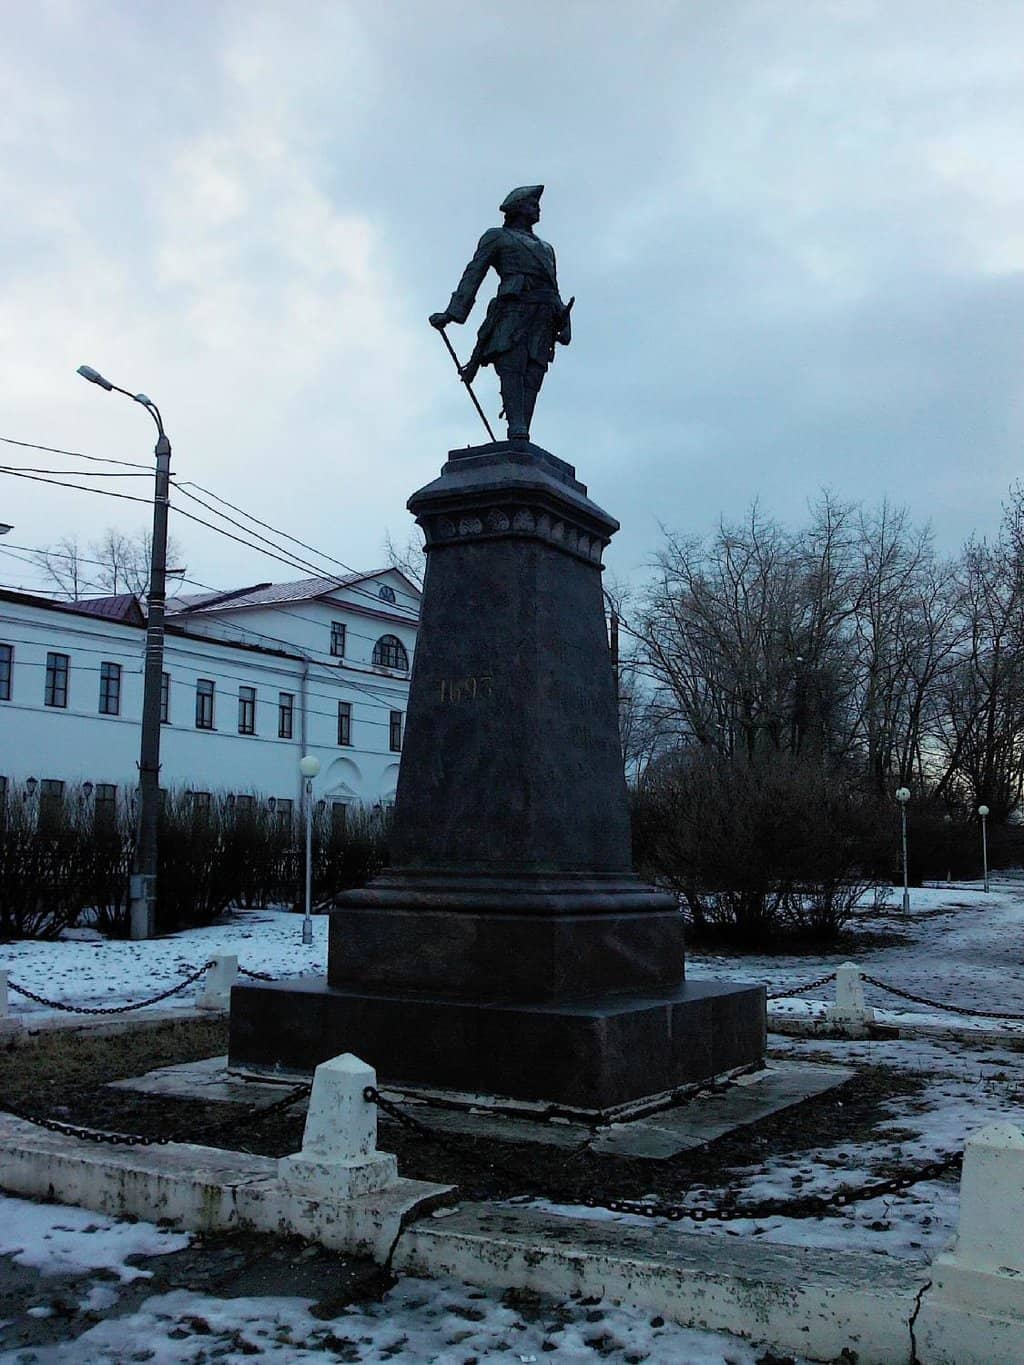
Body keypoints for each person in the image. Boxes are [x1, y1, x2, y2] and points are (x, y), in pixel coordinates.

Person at [430, 185, 572, 441]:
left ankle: (523, 427)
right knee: (512, 364)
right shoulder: (497, 237)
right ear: (517, 208)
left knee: (534, 372)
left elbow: (553, 286)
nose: (538, 209)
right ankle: (516, 426)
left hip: (543, 316)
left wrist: (563, 320)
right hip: (514, 310)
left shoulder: (547, 248)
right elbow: (474, 273)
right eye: (532, 204)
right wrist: (452, 313)